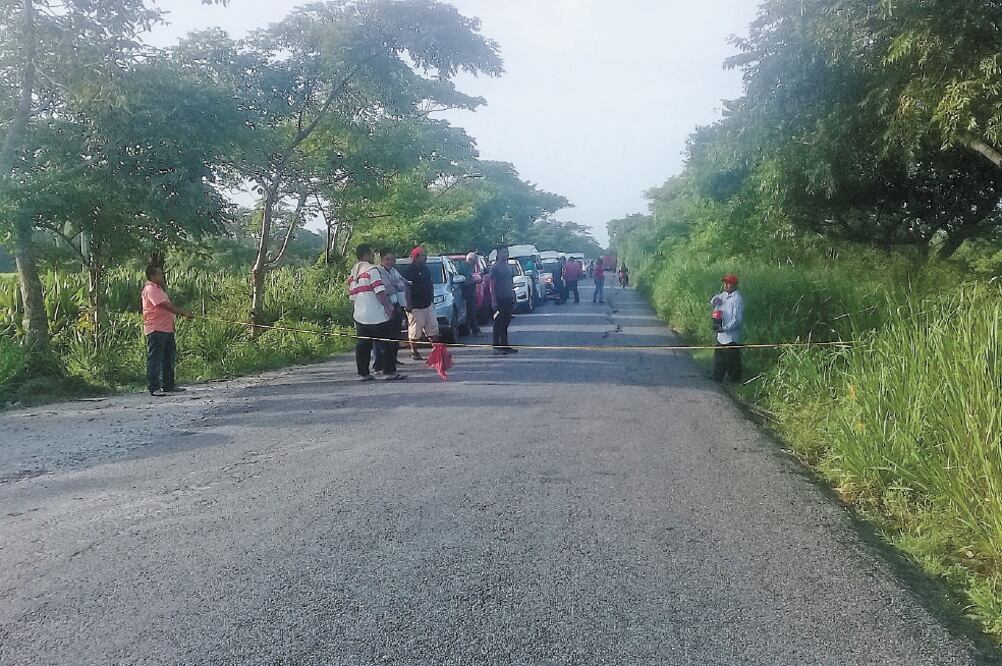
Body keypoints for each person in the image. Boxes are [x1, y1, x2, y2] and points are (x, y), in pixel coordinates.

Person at [349, 244, 404, 382]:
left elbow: (352, 297)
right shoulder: (371, 270)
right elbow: (379, 291)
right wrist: (388, 307)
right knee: (386, 343)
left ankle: (364, 373)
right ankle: (389, 371)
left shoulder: (353, 273)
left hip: (360, 314)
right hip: (376, 314)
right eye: (372, 253)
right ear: (366, 255)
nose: (374, 256)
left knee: (363, 345)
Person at [142, 264, 193, 397]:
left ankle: (168, 385)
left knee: (168, 357)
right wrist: (183, 312)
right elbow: (164, 305)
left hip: (166, 328)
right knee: (155, 358)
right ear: (152, 276)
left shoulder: (159, 289)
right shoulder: (150, 289)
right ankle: (154, 387)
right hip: (156, 328)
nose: (162, 276)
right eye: (159, 274)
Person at [403, 246, 439, 361]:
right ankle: (414, 352)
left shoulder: (426, 269)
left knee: (433, 329)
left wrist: (432, 300)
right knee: (415, 331)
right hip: (415, 305)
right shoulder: (409, 271)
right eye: (422, 255)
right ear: (416, 257)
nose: (425, 257)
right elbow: (406, 288)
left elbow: (430, 284)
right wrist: (408, 304)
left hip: (428, 303)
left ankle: (437, 351)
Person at [374, 248, 407, 372]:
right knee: (382, 337)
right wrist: (395, 286)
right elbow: (385, 289)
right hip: (383, 307)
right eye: (387, 259)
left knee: (395, 335)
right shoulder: (377, 272)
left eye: (392, 259)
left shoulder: (394, 271)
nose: (390, 262)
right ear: (381, 259)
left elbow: (402, 284)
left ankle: (393, 359)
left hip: (396, 305)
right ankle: (379, 364)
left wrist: (395, 285)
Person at [711, 274, 745, 383]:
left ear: (734, 285)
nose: (725, 285)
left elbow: (737, 320)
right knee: (719, 360)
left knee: (732, 362)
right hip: (721, 336)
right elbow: (714, 301)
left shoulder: (737, 299)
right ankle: (717, 379)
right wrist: (714, 300)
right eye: (725, 283)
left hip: (731, 337)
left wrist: (725, 328)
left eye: (728, 283)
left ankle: (735, 383)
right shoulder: (723, 295)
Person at [489, 246, 517, 355]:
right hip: (499, 298)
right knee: (498, 322)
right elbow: (492, 284)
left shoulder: (508, 267)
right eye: (503, 252)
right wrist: (493, 300)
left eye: (507, 252)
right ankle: (497, 346)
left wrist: (513, 295)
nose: (506, 254)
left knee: (505, 322)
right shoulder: (495, 268)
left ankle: (505, 345)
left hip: (508, 297)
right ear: (498, 254)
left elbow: (510, 282)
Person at [460, 252, 483, 335]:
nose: (475, 264)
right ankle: (475, 330)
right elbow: (465, 282)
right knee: (470, 312)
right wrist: (475, 280)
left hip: (470, 293)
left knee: (470, 311)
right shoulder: (464, 268)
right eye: (474, 262)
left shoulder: (469, 267)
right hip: (466, 294)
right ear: (470, 260)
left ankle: (469, 330)